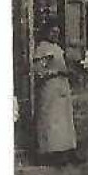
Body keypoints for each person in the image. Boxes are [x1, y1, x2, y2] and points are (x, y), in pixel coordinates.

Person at [31, 21, 78, 165]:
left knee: (64, 120)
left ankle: (67, 152)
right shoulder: (43, 49)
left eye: (57, 33)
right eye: (52, 32)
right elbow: (39, 71)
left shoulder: (57, 48)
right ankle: (52, 154)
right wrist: (56, 72)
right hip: (50, 87)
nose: (55, 35)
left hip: (61, 86)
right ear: (46, 33)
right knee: (52, 120)